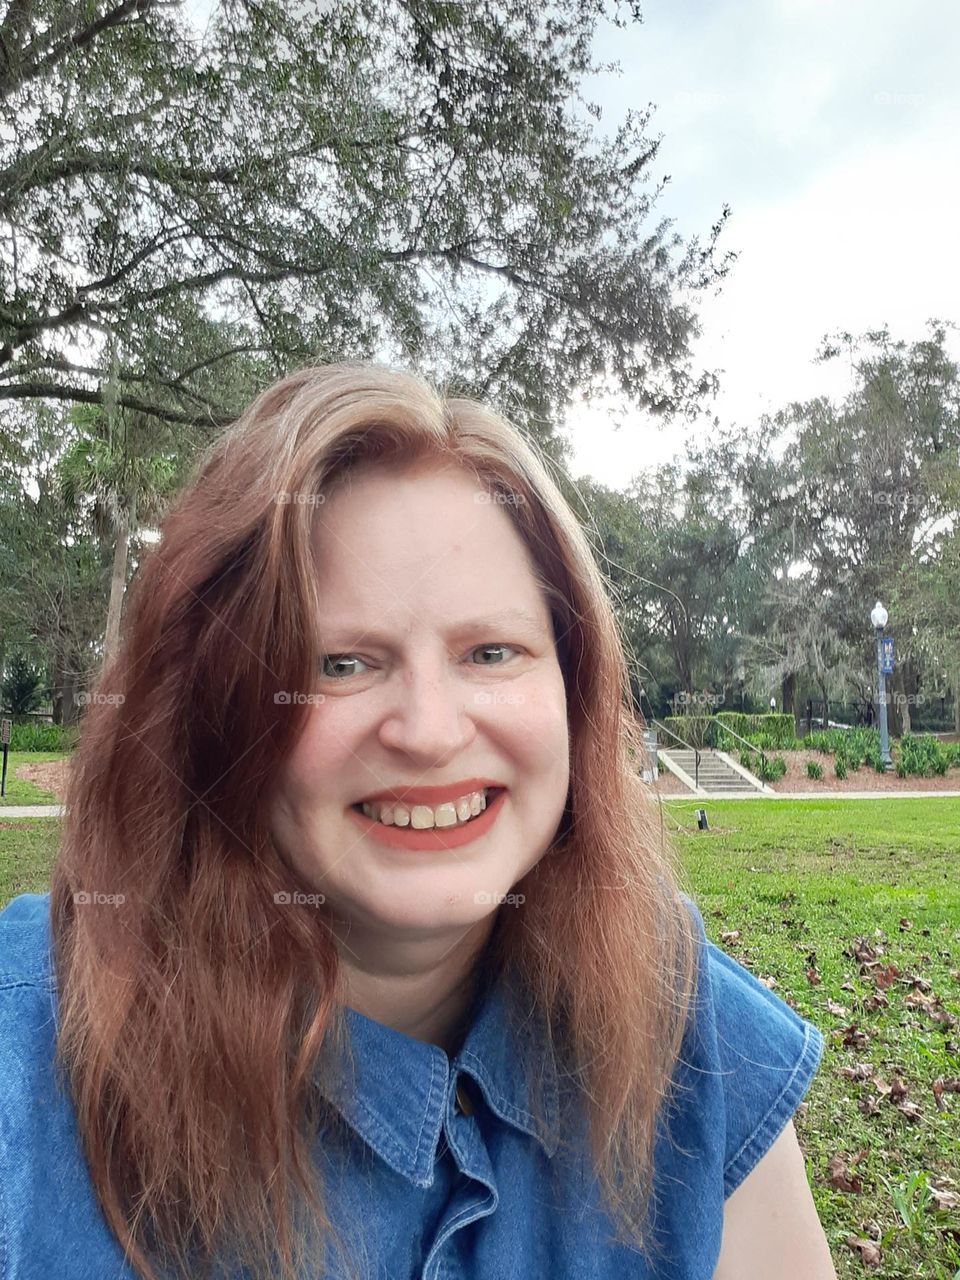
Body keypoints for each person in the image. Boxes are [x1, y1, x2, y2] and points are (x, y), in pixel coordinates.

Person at [0, 363, 837, 1280]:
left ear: (573, 690)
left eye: (492, 651)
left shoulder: (694, 1041)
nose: (432, 733)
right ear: (213, 711)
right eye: (342, 663)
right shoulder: (27, 1055)